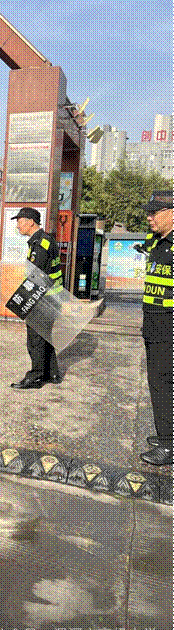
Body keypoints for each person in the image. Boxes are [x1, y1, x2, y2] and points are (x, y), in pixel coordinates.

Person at [10, 207, 64, 389]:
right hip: (52, 297)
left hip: (43, 299)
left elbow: (37, 276)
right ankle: (52, 373)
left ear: (30, 222)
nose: (18, 226)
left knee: (35, 339)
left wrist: (22, 299)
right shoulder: (44, 240)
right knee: (45, 336)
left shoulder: (40, 243)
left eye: (20, 222)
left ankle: (36, 376)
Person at [138, 190, 173, 466]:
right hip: (154, 325)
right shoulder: (159, 242)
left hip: (168, 329)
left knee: (162, 385)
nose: (149, 217)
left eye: (155, 212)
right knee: (160, 383)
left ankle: (168, 444)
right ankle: (167, 435)